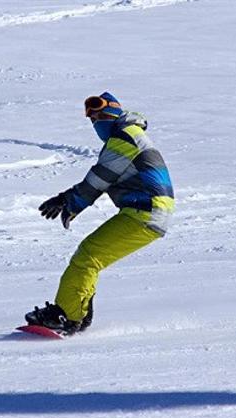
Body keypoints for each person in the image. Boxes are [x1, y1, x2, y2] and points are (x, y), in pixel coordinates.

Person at [25, 92, 174, 335]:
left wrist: (68, 201)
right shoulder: (130, 135)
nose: (96, 123)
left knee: (88, 256)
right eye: (93, 120)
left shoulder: (125, 137)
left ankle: (67, 316)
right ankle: (77, 314)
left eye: (101, 117)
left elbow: (100, 178)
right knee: (91, 256)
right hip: (147, 212)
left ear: (115, 115)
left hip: (145, 212)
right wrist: (71, 204)